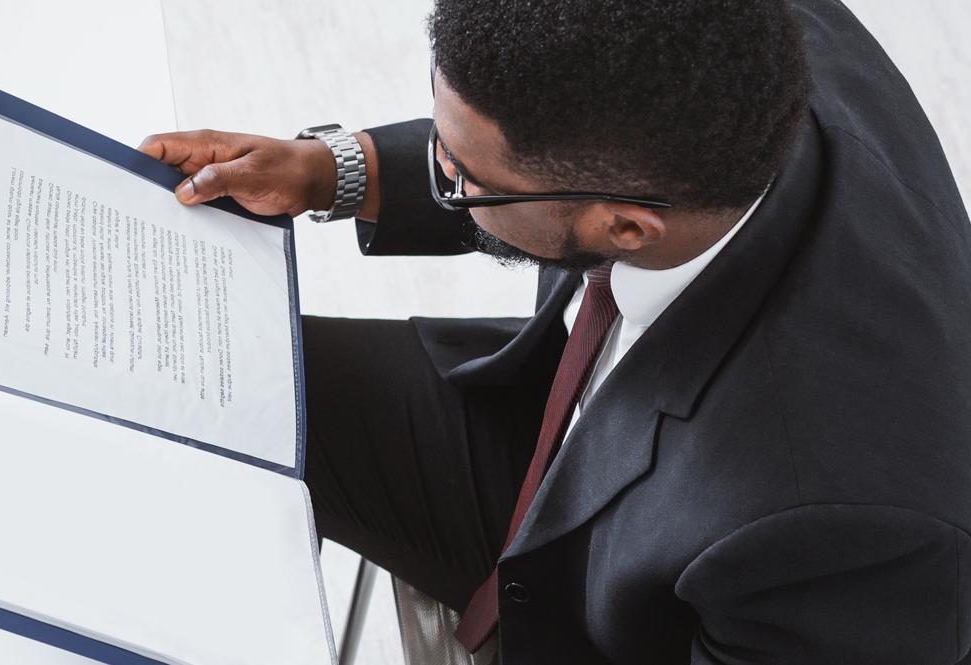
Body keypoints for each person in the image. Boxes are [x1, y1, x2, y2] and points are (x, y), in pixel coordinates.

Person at [143, 0, 970, 662]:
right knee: (214, 375)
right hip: (547, 422)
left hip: (624, 611)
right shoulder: (734, 51)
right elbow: (530, 145)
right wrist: (327, 170)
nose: (445, 173)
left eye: (465, 179)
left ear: (628, 228)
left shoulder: (842, 530)